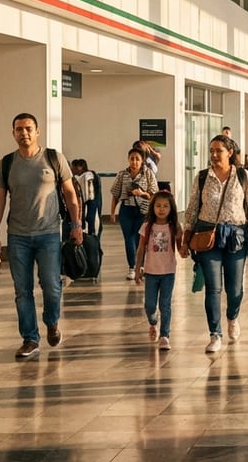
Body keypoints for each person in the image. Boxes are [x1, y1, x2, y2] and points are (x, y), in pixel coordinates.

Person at [0, 113, 83, 359]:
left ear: (37, 131)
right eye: (19, 129)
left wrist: (76, 225)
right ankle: (30, 338)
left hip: (49, 233)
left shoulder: (53, 158)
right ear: (13, 133)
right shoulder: (7, 163)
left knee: (51, 286)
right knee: (22, 290)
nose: (24, 133)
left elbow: (71, 194)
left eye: (28, 128)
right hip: (18, 236)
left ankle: (51, 322)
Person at [184, 135, 248, 354]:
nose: (214, 155)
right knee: (213, 287)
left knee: (234, 288)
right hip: (208, 234)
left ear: (230, 152)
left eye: (218, 150)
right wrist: (185, 239)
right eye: (211, 151)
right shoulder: (201, 177)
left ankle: (232, 317)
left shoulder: (244, 176)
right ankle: (215, 333)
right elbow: (192, 208)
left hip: (236, 234)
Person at [135, 191, 182, 351]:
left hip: (168, 271)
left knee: (165, 304)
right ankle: (153, 323)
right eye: (158, 206)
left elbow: (181, 248)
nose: (161, 209)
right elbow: (141, 248)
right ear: (152, 207)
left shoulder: (174, 226)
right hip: (150, 272)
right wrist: (137, 269)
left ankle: (164, 336)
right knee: (149, 305)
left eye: (165, 206)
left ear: (171, 208)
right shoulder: (147, 226)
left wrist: (187, 246)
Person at [108, 148, 158, 281]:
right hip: (126, 210)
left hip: (143, 211)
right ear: (128, 159)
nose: (134, 162)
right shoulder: (122, 175)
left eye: (137, 159)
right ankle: (132, 267)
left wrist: (142, 193)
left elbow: (154, 194)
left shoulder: (148, 174)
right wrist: (112, 212)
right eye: (132, 158)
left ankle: (141, 266)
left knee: (140, 239)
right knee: (128, 238)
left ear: (142, 161)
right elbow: (115, 194)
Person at [71, 159, 103, 237]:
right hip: (94, 209)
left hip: (90, 211)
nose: (72, 170)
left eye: (73, 167)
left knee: (92, 233)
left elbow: (89, 196)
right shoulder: (91, 175)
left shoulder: (87, 176)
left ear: (80, 167)